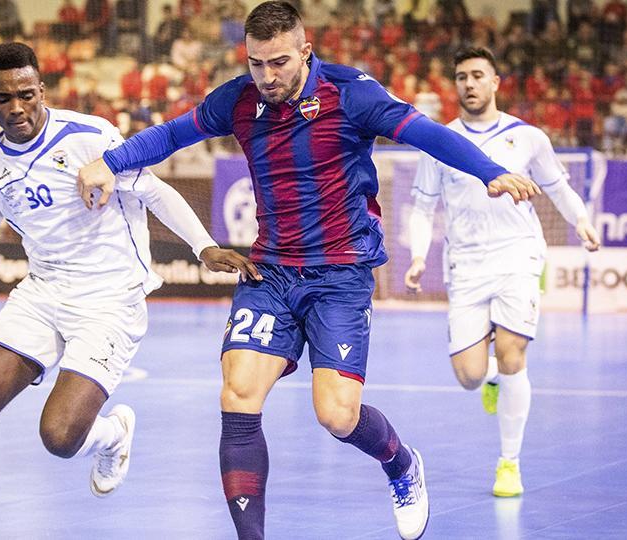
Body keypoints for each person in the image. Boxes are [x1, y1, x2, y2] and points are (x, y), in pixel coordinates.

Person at [77, 3, 541, 539]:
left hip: (340, 274)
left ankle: (401, 464)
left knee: (337, 415)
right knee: (238, 395)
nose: (267, 76)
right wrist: (107, 162)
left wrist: (490, 173)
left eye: (278, 62)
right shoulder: (239, 99)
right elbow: (169, 135)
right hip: (271, 270)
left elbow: (427, 134)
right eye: (256, 63)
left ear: (305, 50)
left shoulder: (352, 94)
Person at [0, 42, 256, 540]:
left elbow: (153, 191)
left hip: (109, 300)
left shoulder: (89, 136)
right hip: (43, 291)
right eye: (3, 99)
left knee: (60, 438)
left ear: (42, 90)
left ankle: (113, 434)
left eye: (25, 94)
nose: (16, 108)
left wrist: (204, 247)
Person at [404, 47, 601, 499]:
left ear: (496, 82)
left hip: (518, 256)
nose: (469, 84)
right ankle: (489, 375)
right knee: (468, 375)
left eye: (477, 75)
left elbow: (559, 188)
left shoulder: (528, 138)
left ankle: (509, 463)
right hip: (466, 265)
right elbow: (421, 205)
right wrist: (418, 256)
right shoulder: (438, 140)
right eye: (461, 77)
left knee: (514, 353)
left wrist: (582, 221)